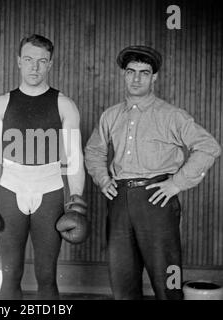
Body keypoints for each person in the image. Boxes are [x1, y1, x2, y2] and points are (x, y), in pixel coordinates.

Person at [84, 45, 221, 300]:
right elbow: (94, 151)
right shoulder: (110, 116)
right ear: (124, 75)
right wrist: (103, 180)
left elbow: (208, 147)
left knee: (166, 281)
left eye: (144, 73)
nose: (136, 78)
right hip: (119, 199)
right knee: (122, 281)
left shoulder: (171, 115)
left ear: (154, 77)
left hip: (157, 199)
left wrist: (177, 183)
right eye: (131, 72)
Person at [0, 34, 90, 300]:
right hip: (11, 190)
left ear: (50, 65)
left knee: (47, 275)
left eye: (42, 61)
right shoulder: (1, 104)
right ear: (19, 61)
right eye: (29, 60)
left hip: (50, 191)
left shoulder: (64, 104)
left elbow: (75, 160)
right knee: (10, 274)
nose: (35, 67)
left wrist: (77, 202)